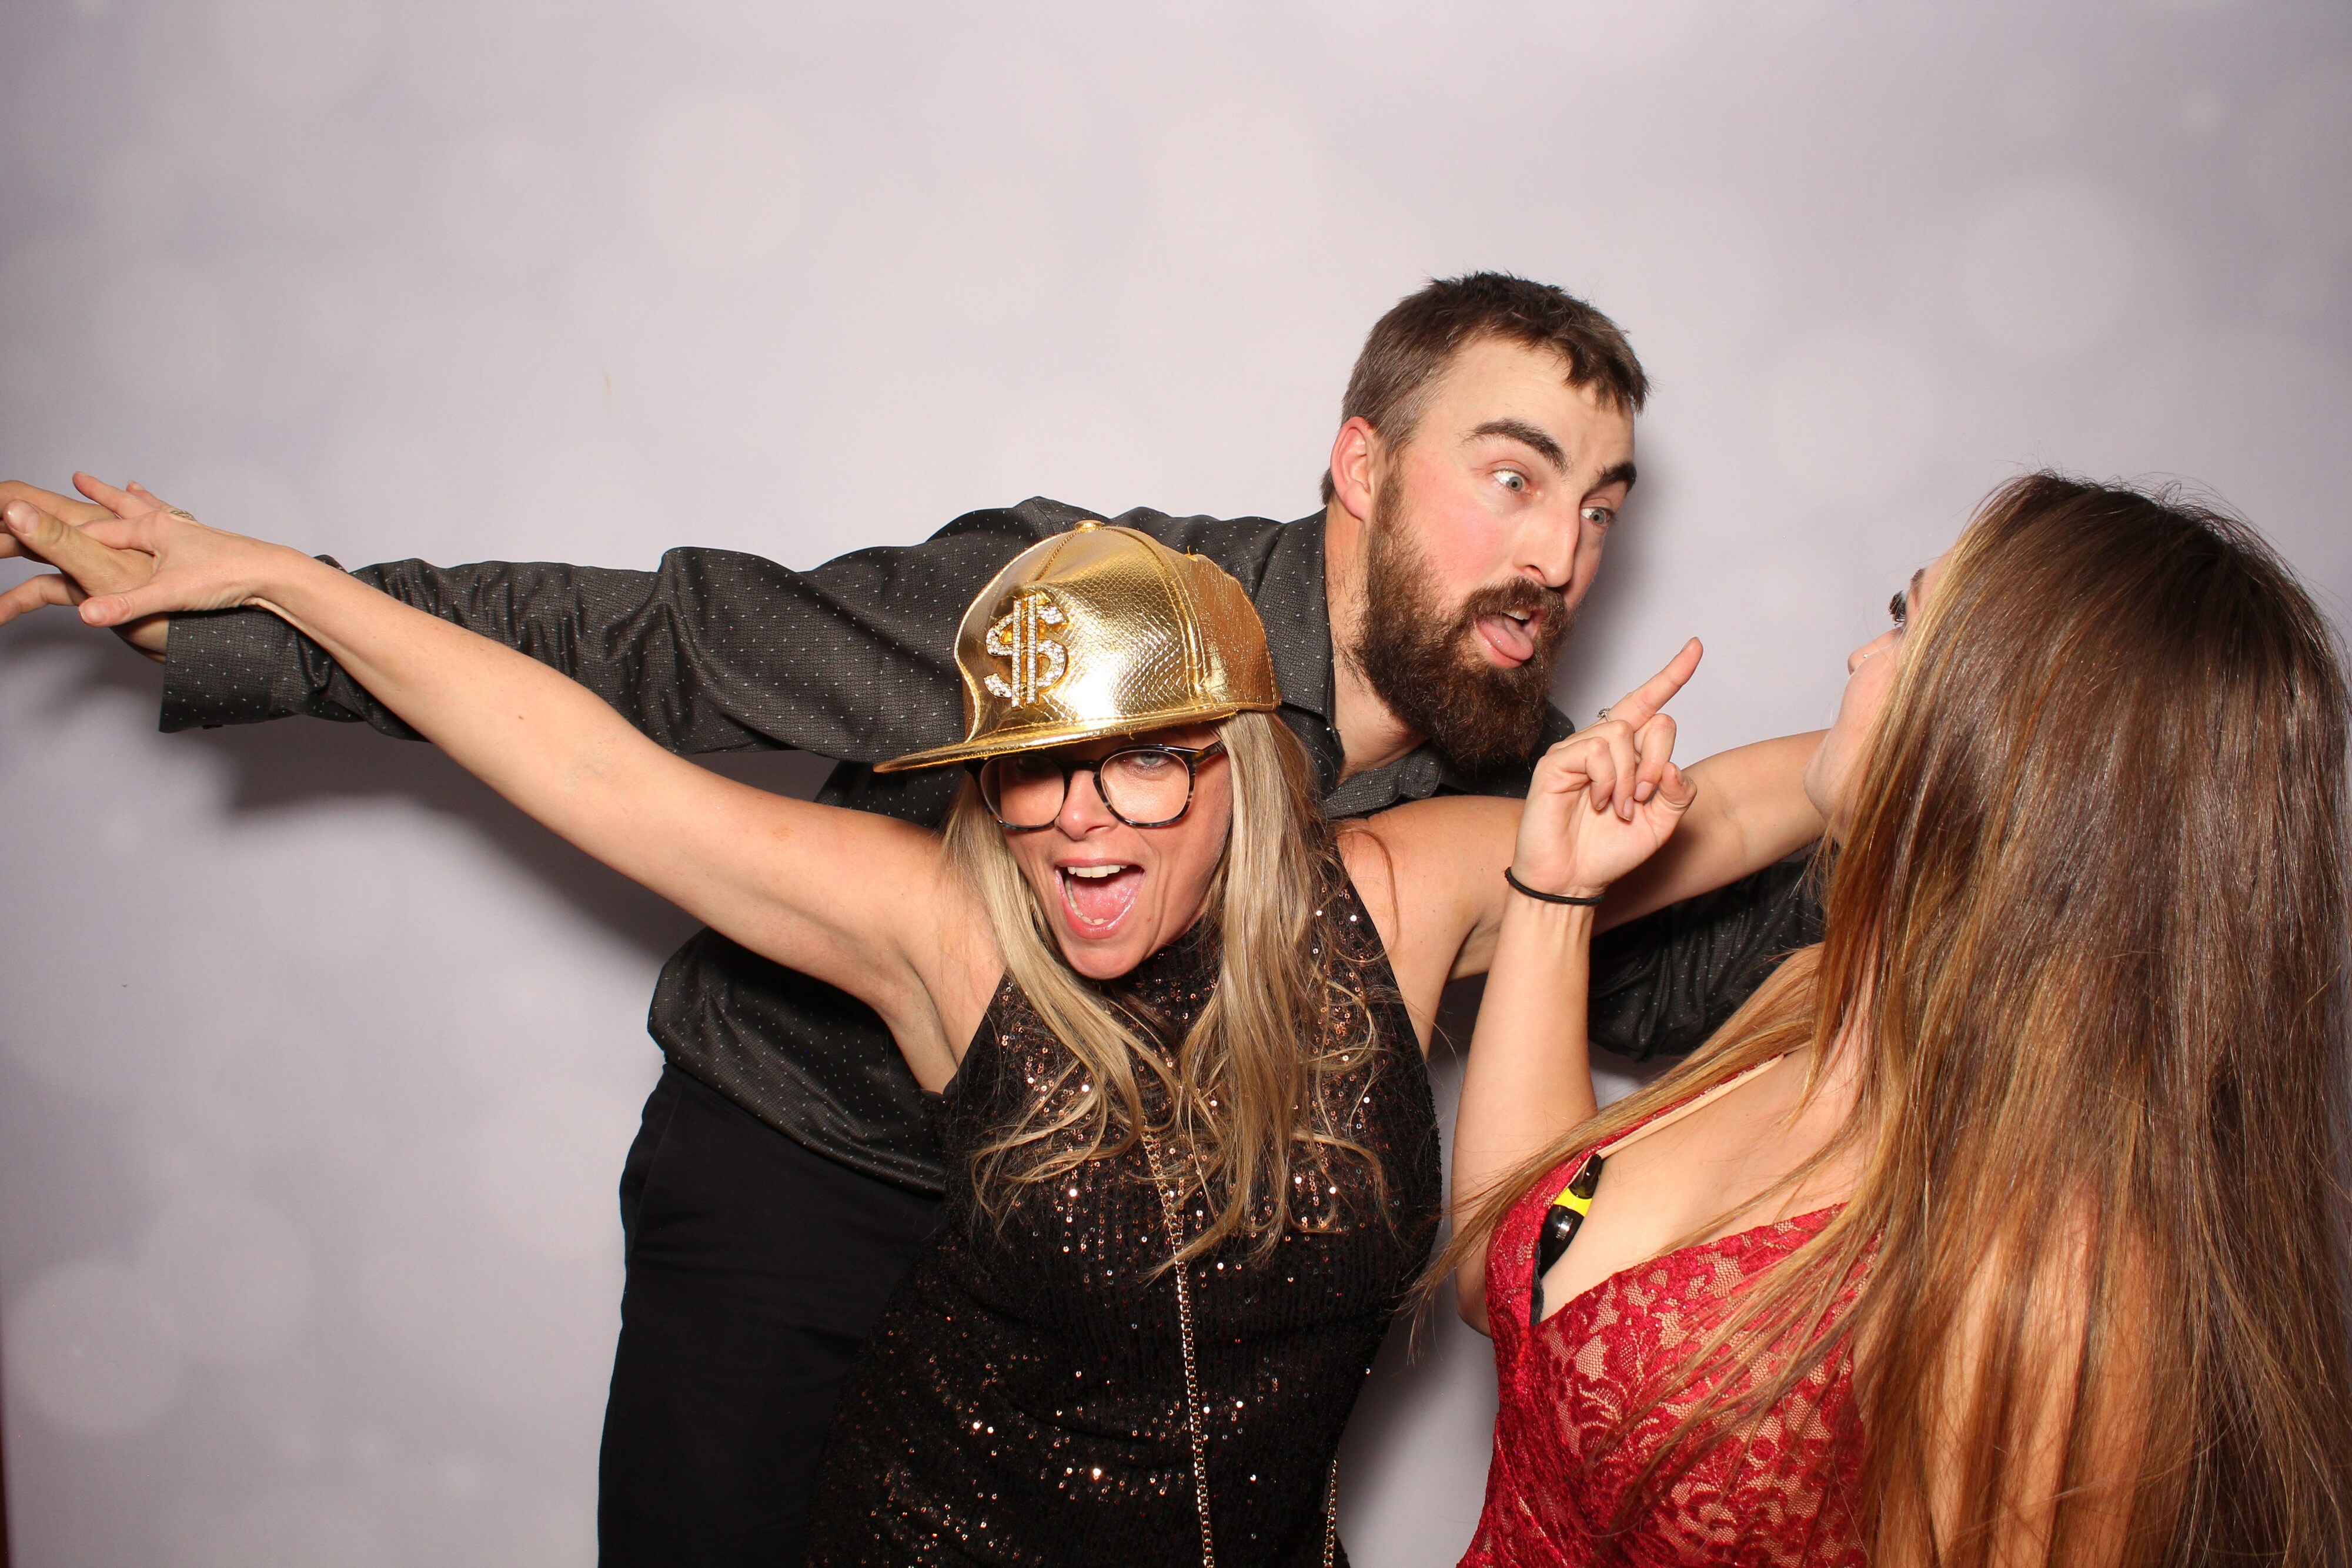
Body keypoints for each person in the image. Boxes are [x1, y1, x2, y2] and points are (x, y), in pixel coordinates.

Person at [0, 275, 1817, 1561]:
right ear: (1361, 463)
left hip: (1120, 1321)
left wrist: (1952, 826)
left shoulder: (1471, 821)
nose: (1559, 552)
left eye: (1598, 507)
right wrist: (268, 607)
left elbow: (1680, 918)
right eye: (1513, 476)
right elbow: (656, 665)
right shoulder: (1062, 618)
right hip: (817, 1165)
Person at [1442, 473, 2352, 1564]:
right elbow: (1500, 1285)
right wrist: (1558, 894)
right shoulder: (1810, 996)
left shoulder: (2059, 1286)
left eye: (1905, 624)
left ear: (2023, 746)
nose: (1860, 658)